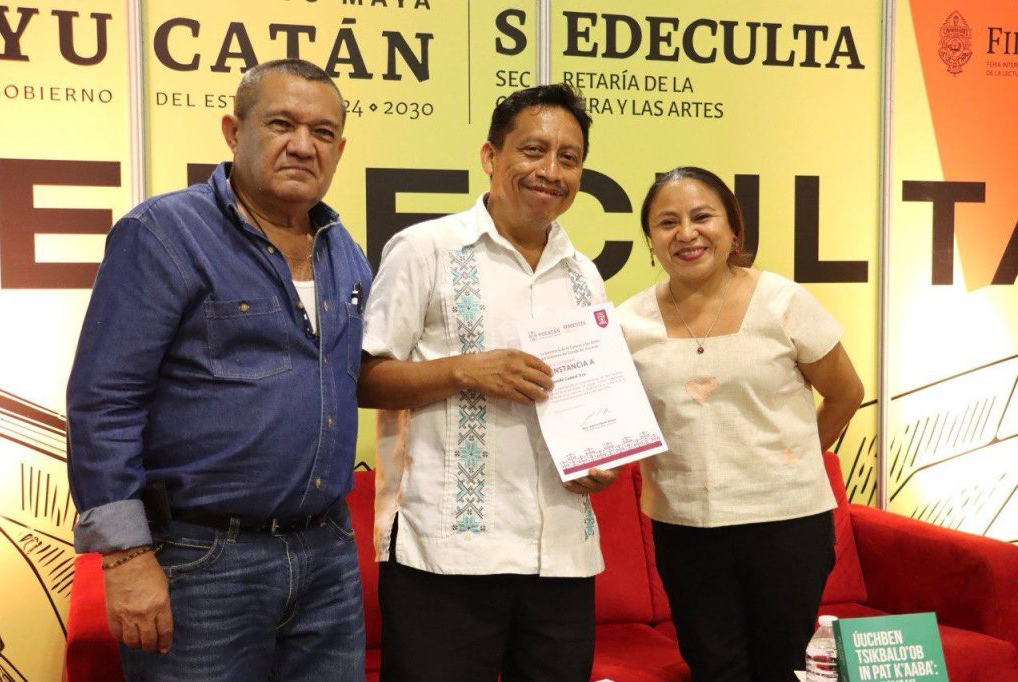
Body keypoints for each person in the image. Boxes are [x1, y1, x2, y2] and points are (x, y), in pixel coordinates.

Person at [66, 59, 370, 681]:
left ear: (340, 149)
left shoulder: (343, 250)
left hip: (327, 555)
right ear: (234, 132)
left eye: (323, 132)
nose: (303, 146)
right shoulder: (164, 233)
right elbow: (105, 401)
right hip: (201, 561)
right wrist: (125, 557)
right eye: (281, 124)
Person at [357, 83, 618, 682]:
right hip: (444, 554)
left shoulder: (584, 275)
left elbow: (590, 402)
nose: (551, 171)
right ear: (491, 156)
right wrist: (464, 370)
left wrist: (600, 459)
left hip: (563, 555)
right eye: (533, 150)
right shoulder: (425, 249)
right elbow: (364, 379)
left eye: (569, 157)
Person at [617, 167, 864, 682]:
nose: (686, 233)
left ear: (733, 228)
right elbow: (614, 420)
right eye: (667, 223)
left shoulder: (783, 302)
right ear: (651, 242)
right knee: (714, 668)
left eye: (702, 217)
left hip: (788, 525)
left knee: (781, 668)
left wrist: (790, 460)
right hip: (685, 529)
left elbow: (846, 393)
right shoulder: (628, 323)